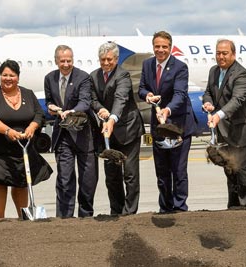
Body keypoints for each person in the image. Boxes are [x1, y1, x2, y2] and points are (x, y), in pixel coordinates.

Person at [0, 59, 52, 219]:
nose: (8, 78)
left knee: (21, 181)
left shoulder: (28, 94)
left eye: (12, 75)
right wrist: (7, 131)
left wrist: (32, 127)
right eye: (4, 75)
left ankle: (23, 217)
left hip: (21, 145)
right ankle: (0, 218)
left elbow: (39, 114)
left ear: (18, 77)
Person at [138, 31, 197, 213]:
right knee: (162, 173)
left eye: (164, 46)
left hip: (178, 125)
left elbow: (180, 94)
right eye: (157, 46)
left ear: (170, 47)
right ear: (153, 47)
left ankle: (180, 208)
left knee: (178, 171)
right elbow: (141, 88)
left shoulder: (180, 67)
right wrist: (147, 96)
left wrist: (167, 109)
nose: (160, 50)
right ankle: (165, 207)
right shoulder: (147, 65)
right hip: (159, 127)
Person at [203, 39, 246, 208]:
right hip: (227, 133)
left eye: (225, 53)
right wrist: (208, 103)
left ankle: (244, 213)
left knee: (244, 178)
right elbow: (209, 92)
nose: (221, 56)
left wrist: (218, 115)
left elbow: (237, 100)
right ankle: (233, 213)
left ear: (233, 54)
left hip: (244, 133)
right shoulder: (214, 71)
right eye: (218, 53)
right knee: (231, 173)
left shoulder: (242, 74)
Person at [90, 42, 145, 215]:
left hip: (128, 129)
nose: (106, 63)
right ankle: (117, 210)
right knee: (112, 176)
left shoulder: (123, 75)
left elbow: (121, 99)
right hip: (108, 134)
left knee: (130, 174)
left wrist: (112, 119)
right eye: (102, 59)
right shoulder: (93, 76)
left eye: (109, 59)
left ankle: (130, 212)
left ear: (116, 59)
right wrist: (100, 109)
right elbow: (92, 98)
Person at [44, 45, 98, 218]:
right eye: (62, 61)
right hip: (63, 135)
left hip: (83, 133)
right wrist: (50, 107)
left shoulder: (83, 77)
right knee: (65, 179)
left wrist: (71, 111)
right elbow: (49, 101)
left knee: (87, 179)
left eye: (69, 60)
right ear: (56, 61)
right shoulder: (50, 78)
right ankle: (65, 217)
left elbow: (85, 102)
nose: (66, 64)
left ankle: (86, 214)